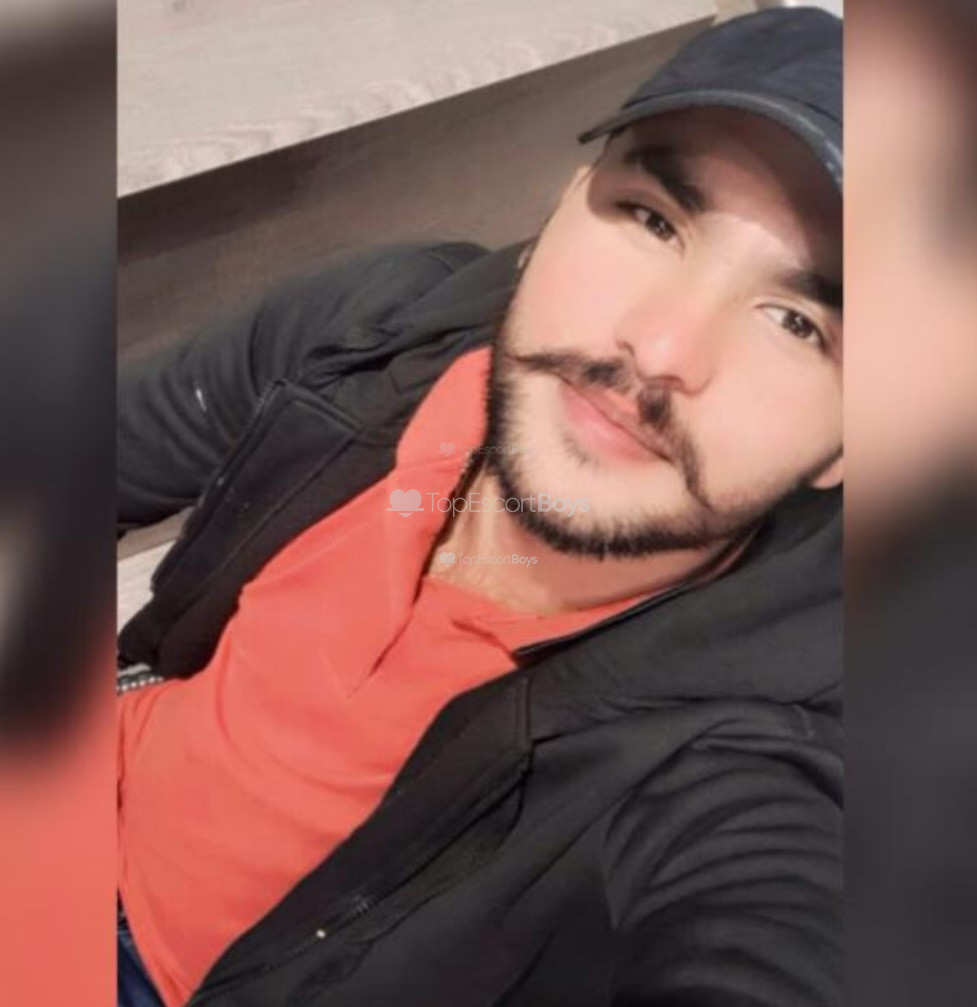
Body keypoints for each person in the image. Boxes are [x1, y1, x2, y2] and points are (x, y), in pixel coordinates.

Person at [117, 9, 843, 1007]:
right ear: (562, 204)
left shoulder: (775, 731)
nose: (659, 346)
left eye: (797, 321)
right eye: (651, 220)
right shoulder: (382, 329)